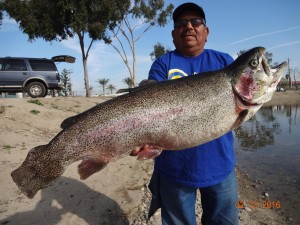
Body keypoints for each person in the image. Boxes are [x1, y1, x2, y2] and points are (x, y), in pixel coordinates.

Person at [145, 2, 239, 225]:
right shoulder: (162, 64)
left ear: (206, 32)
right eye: (181, 23)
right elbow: (149, 111)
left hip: (221, 168)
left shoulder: (224, 62)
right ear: (173, 34)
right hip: (173, 171)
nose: (188, 26)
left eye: (195, 22)